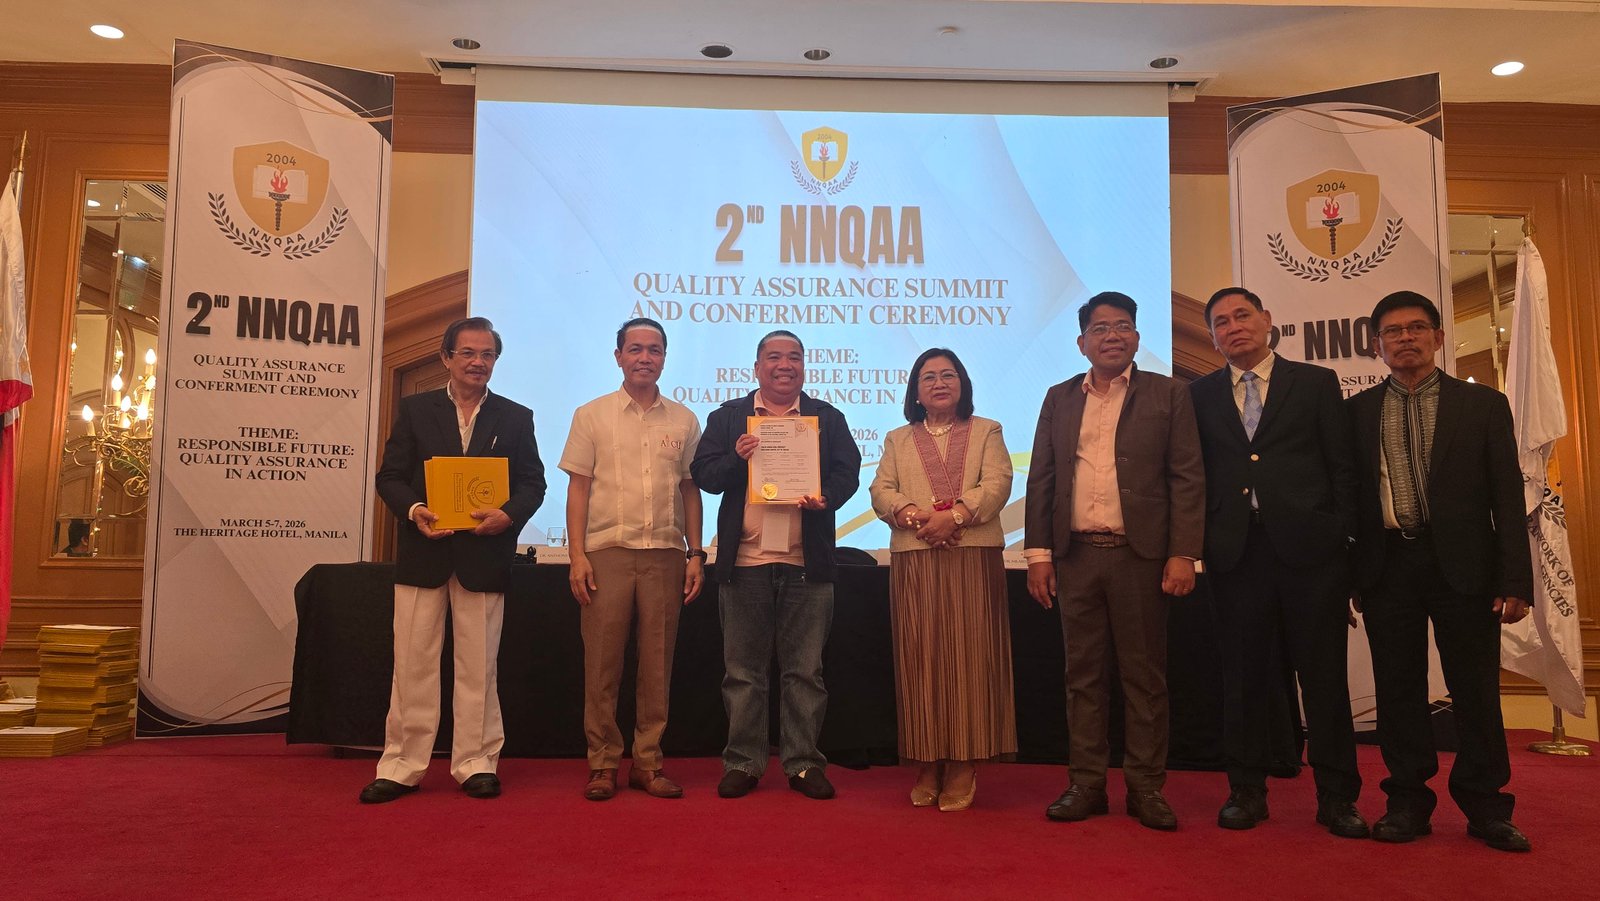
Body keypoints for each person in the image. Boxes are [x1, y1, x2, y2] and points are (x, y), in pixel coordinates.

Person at [1348, 290, 1534, 852]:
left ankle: (1487, 806)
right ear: (1377, 344)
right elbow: (1348, 500)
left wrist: (1515, 579)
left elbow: (1507, 496)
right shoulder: (1355, 412)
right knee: (1397, 690)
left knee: (1475, 690)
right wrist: (1351, 575)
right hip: (1387, 566)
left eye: (1416, 328)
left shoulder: (1482, 406)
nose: (1405, 338)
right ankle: (1407, 801)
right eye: (1393, 331)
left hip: (1466, 566)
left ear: (1438, 336)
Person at [1189, 287, 1366, 837]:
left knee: (1324, 679)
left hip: (1312, 554)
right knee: (1243, 679)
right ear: (1213, 337)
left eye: (1242, 315)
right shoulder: (1198, 395)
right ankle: (1246, 791)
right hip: (1236, 554)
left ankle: (1338, 798)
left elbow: (1342, 468)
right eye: (1221, 322)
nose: (1233, 327)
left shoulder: (1315, 383)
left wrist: (1343, 541)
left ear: (1267, 320)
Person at [1025, 291, 1204, 831]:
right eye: (1100, 328)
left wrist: (1183, 553)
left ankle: (1146, 787)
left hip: (1140, 558)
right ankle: (1086, 784)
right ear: (1082, 342)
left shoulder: (1169, 394)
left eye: (1122, 326)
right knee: (1083, 677)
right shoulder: (1058, 397)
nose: (1112, 336)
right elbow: (1043, 478)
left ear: (1137, 338)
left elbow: (1187, 477)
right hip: (1076, 556)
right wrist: (1038, 555)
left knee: (1144, 678)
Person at [360, 316, 546, 804]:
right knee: (412, 665)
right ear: (446, 357)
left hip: (484, 558)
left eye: (487, 354)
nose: (477, 362)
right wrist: (415, 510)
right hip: (424, 553)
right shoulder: (416, 410)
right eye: (468, 353)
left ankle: (476, 763)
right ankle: (402, 766)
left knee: (478, 668)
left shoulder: (515, 416)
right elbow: (390, 477)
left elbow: (533, 484)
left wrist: (508, 516)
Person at [690, 329, 862, 800]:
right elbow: (704, 475)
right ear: (757, 367)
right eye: (774, 357)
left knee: (804, 673)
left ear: (803, 366)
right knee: (743, 673)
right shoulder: (728, 417)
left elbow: (847, 473)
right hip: (745, 563)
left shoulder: (826, 417)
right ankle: (743, 762)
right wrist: (737, 458)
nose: (784, 365)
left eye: (794, 357)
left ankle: (803, 763)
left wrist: (826, 496)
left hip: (808, 564)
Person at [560, 318, 705, 801]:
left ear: (664, 357)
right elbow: (578, 488)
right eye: (636, 349)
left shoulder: (684, 420)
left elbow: (690, 490)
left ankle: (647, 763)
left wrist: (695, 552)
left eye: (655, 349)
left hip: (665, 554)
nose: (645, 357)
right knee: (603, 664)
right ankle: (602, 763)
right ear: (618, 356)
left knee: (656, 665)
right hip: (606, 553)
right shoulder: (592, 415)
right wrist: (576, 555)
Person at [869, 347, 1016, 812]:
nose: (939, 383)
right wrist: (917, 518)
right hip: (915, 557)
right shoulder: (897, 438)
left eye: (948, 375)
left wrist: (953, 518)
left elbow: (998, 483)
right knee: (921, 659)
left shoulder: (987, 430)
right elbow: (881, 490)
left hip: (973, 555)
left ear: (962, 384)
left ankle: (964, 761)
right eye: (928, 377)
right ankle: (928, 759)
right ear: (915, 390)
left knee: (971, 659)